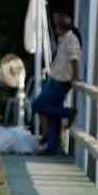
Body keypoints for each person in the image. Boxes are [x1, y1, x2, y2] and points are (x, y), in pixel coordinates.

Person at [33, 13, 81, 155]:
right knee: (53, 116)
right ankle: (51, 147)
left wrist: (75, 77)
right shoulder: (64, 38)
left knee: (38, 105)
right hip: (55, 79)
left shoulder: (71, 38)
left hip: (60, 81)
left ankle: (68, 112)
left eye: (56, 25)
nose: (55, 28)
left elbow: (74, 59)